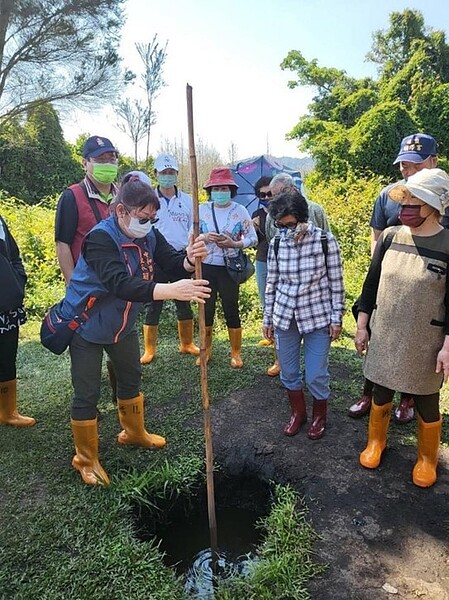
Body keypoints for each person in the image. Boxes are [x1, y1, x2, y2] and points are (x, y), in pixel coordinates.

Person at [58, 178, 210, 485]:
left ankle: (133, 432)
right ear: (120, 211)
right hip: (87, 325)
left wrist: (190, 259)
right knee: (87, 392)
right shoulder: (100, 239)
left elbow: (171, 262)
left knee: (130, 377)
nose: (148, 224)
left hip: (122, 326)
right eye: (143, 218)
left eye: (152, 219)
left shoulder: (148, 234)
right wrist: (172, 291)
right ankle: (85, 460)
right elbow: (121, 284)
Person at [355, 167, 449, 488]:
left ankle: (426, 459)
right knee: (381, 388)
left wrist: (447, 347)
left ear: (434, 204)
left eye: (413, 199)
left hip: (427, 340)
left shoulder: (447, 244)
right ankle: (376, 442)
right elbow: (371, 285)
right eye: (404, 199)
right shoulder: (391, 236)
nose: (404, 206)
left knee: (426, 398)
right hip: (385, 332)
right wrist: (363, 324)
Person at [349, 133, 438, 423]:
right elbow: (376, 238)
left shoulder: (442, 197)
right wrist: (383, 269)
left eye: (415, 164)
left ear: (433, 162)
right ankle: (369, 394)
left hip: (427, 282)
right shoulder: (388, 195)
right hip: (389, 274)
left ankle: (408, 400)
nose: (407, 170)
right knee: (376, 334)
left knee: (417, 343)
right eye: (403, 165)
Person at [263, 189, 345, 440]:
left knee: (316, 373)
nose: (287, 229)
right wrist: (267, 317)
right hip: (285, 317)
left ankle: (320, 415)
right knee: (288, 371)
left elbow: (336, 282)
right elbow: (272, 282)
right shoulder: (277, 243)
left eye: (291, 224)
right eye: (281, 225)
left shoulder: (325, 241)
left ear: (303, 218)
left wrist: (336, 317)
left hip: (317, 316)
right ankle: (298, 413)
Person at [55, 135, 120, 403]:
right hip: (86, 290)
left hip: (118, 285)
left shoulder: (122, 195)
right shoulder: (72, 197)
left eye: (112, 158)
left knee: (120, 344)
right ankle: (86, 405)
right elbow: (63, 243)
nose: (108, 163)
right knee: (86, 349)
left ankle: (122, 396)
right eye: (100, 159)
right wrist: (72, 286)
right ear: (85, 163)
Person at [264, 172, 331, 377]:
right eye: (271, 195)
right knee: (286, 345)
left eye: (279, 194)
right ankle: (282, 362)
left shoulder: (315, 210)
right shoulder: (271, 216)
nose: (274, 199)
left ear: (292, 189)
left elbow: (327, 240)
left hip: (314, 291)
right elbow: (270, 241)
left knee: (316, 365)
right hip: (286, 286)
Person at [140, 154, 199, 364]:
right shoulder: (149, 201)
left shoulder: (187, 200)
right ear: (156, 174)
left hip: (181, 256)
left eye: (171, 173)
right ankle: (149, 349)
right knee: (153, 302)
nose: (167, 176)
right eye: (163, 173)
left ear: (176, 174)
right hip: (154, 256)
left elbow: (194, 227)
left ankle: (187, 343)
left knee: (183, 299)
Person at [198, 167, 258, 368]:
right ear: (210, 190)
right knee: (206, 310)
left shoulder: (240, 211)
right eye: (216, 188)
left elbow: (252, 238)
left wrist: (234, 244)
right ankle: (205, 351)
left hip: (229, 267)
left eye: (224, 187)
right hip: (206, 266)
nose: (220, 191)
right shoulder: (203, 209)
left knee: (231, 308)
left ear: (231, 190)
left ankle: (236, 353)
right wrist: (205, 237)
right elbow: (191, 235)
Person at [0, 215, 35, 427]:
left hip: (6, 305)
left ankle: (8, 411)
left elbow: (14, 254)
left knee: (6, 356)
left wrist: (17, 279)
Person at [251, 176, 273, 347]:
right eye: (262, 195)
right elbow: (254, 243)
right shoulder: (256, 215)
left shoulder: (284, 212)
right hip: (262, 259)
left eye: (269, 193)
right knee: (264, 298)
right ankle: (269, 333)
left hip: (281, 261)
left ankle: (281, 336)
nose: (266, 198)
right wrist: (254, 229)